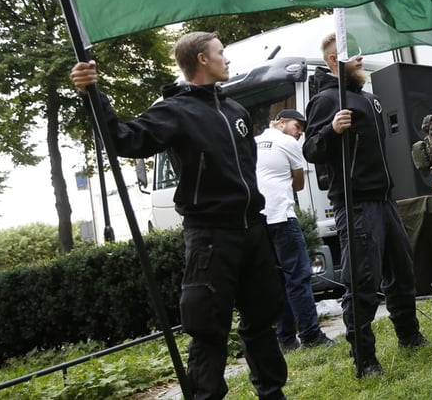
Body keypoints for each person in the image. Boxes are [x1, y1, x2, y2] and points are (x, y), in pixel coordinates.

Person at [70, 32, 288, 400]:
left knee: (262, 320)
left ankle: (273, 393)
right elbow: (124, 139)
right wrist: (94, 96)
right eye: (221, 53)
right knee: (208, 329)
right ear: (202, 60)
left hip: (252, 230)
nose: (227, 59)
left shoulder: (234, 110)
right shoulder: (175, 111)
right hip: (211, 237)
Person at [302, 34, 427, 378]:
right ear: (332, 62)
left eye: (359, 53)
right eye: (350, 55)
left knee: (401, 271)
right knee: (362, 281)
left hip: (385, 199)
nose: (359, 59)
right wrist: (330, 130)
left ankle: (409, 334)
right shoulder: (327, 100)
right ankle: (365, 358)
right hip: (356, 204)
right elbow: (310, 149)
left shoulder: (369, 99)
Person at [256, 109, 334, 353]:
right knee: (298, 278)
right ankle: (311, 335)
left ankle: (286, 339)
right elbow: (299, 184)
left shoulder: (252, 142)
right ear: (280, 123)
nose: (300, 133)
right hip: (282, 216)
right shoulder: (287, 142)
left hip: (259, 220)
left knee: (277, 282)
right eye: (297, 126)